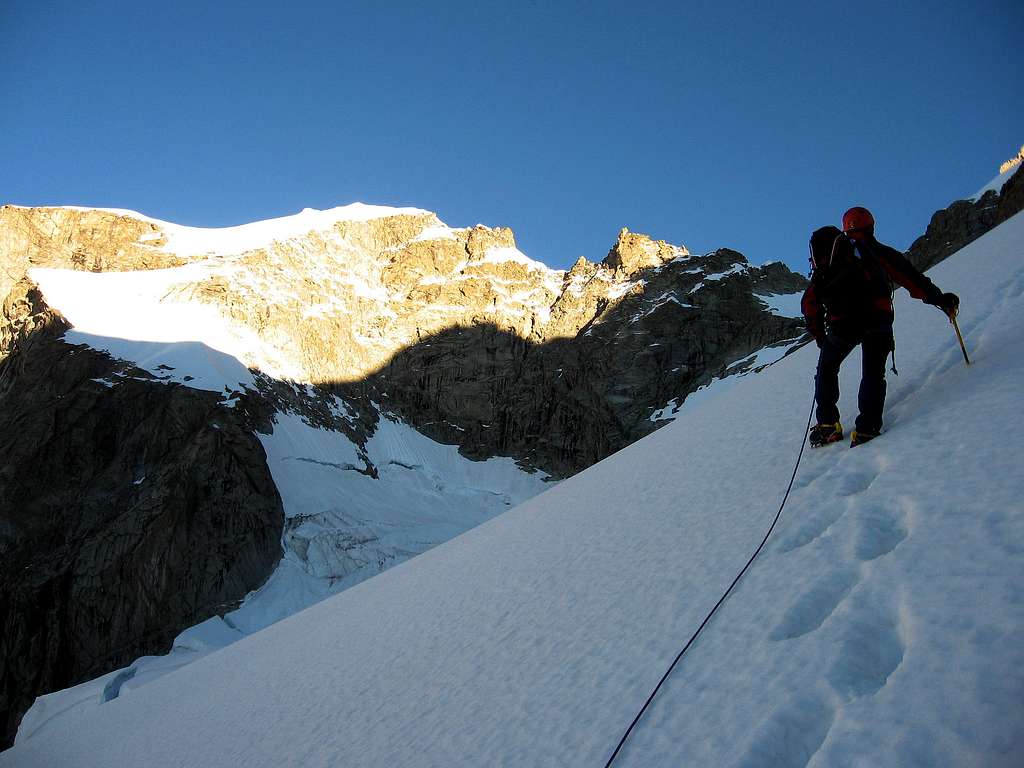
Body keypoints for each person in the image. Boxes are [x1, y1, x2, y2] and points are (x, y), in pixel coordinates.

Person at [801, 206, 959, 447]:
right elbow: (911, 278)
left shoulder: (830, 261)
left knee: (826, 369)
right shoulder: (876, 252)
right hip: (878, 321)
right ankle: (867, 428)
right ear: (871, 226)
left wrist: (820, 336)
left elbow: (810, 303)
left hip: (842, 326)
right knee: (873, 373)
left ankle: (828, 425)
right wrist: (940, 300)